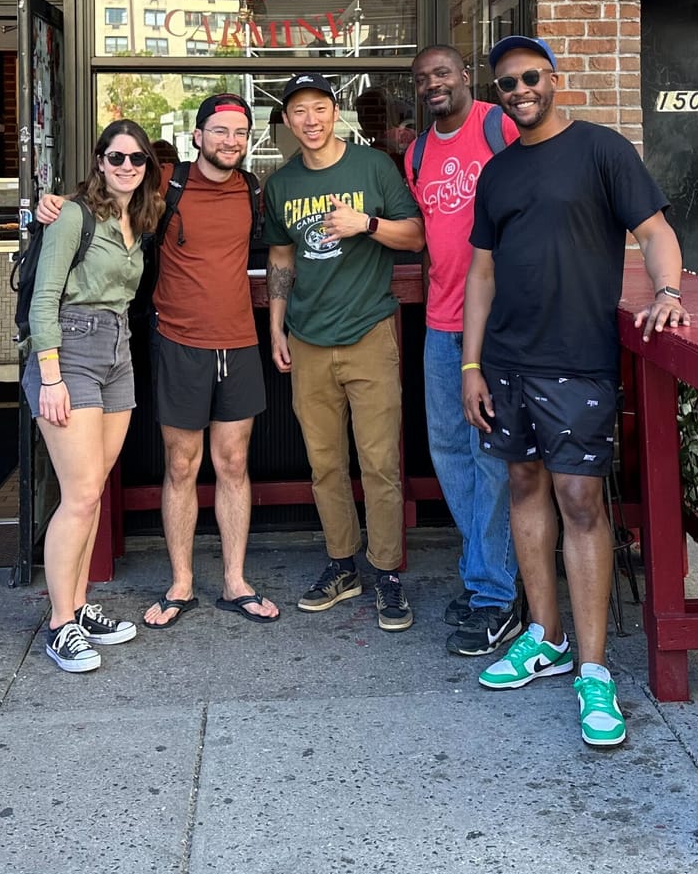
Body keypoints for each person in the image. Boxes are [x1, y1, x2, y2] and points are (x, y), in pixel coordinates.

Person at [462, 36, 689, 750]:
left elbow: (654, 231)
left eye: (531, 77)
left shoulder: (601, 150)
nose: (520, 89)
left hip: (578, 360)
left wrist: (670, 292)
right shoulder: (496, 174)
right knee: (524, 486)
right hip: (507, 360)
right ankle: (546, 636)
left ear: (554, 80)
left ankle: (594, 671)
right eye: (506, 83)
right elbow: (481, 275)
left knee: (581, 501)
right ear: (496, 95)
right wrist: (469, 368)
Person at [37, 95, 279, 629]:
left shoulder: (255, 190)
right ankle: (181, 584)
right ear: (198, 136)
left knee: (235, 464)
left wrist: (277, 326)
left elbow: (277, 256)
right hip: (175, 342)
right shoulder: (165, 183)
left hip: (239, 342)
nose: (230, 140)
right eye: (219, 130)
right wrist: (52, 204)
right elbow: (102, 199)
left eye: (240, 131)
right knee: (180, 465)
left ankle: (235, 582)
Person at [264, 73, 424, 631]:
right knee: (325, 464)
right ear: (287, 121)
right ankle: (342, 564)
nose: (310, 120)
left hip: (369, 333)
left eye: (319, 108)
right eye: (299, 112)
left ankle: (386, 571)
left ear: (335, 113)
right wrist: (277, 326)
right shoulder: (281, 184)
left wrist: (366, 223)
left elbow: (416, 235)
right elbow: (281, 259)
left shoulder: (373, 167)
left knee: (380, 463)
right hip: (308, 340)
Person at [22, 120, 163, 673]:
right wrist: (51, 377)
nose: (127, 167)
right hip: (70, 349)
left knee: (93, 492)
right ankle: (59, 625)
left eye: (137, 159)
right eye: (117, 157)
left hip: (118, 350)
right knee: (79, 495)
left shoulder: (139, 218)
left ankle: (76, 606)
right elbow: (42, 300)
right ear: (99, 161)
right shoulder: (74, 216)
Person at [405, 46, 522, 659]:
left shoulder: (497, 125)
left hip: (500, 328)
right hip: (441, 322)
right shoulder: (417, 152)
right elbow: (430, 239)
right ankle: (487, 572)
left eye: (442, 73)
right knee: (449, 449)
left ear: (464, 78)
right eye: (423, 78)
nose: (433, 85)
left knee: (491, 459)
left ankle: (494, 595)